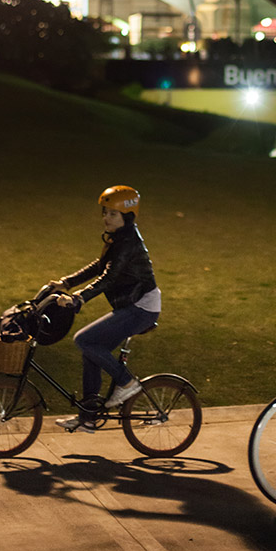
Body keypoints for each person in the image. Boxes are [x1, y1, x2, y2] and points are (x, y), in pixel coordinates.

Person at [48, 184, 161, 432]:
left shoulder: (128, 243)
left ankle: (126, 382)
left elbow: (108, 279)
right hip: (132, 304)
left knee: (84, 340)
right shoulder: (119, 238)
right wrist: (66, 282)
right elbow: (99, 267)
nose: (105, 218)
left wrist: (78, 298)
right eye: (105, 212)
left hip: (142, 306)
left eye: (112, 214)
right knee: (91, 351)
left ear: (127, 216)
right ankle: (88, 418)